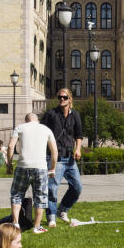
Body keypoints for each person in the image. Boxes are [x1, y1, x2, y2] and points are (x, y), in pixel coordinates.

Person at [40, 88, 84, 229]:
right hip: (55, 157)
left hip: (69, 157)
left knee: (77, 187)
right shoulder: (51, 114)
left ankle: (63, 209)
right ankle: (51, 217)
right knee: (52, 188)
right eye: (59, 97)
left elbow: (79, 134)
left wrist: (78, 148)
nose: (62, 99)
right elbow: (42, 133)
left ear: (70, 99)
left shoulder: (75, 115)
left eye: (65, 97)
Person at [7, 113, 57, 234]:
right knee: (40, 197)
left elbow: (10, 147)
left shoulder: (20, 127)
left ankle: (15, 223)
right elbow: (54, 151)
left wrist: (9, 164)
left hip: (22, 166)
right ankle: (37, 226)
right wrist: (53, 168)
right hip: (40, 167)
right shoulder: (46, 129)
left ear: (26, 120)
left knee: (17, 195)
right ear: (37, 120)